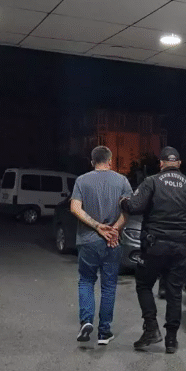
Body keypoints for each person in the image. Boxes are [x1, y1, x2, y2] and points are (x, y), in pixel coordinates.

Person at [120, 146, 186, 354]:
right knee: (174, 293)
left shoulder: (152, 182)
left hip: (154, 247)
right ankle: (171, 340)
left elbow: (134, 207)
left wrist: (123, 202)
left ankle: (151, 328)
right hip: (179, 248)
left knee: (144, 285)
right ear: (179, 163)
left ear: (161, 164)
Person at [71, 146, 133, 345]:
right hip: (112, 242)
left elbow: (75, 208)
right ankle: (104, 332)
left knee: (86, 281)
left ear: (92, 162)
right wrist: (113, 230)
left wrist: (97, 226)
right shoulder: (122, 181)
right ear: (110, 161)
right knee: (108, 287)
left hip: (87, 241)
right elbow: (128, 210)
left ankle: (86, 321)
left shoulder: (82, 180)